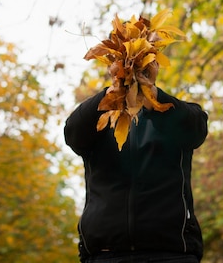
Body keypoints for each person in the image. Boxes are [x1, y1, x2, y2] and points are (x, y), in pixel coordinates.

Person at [64, 61, 208, 263]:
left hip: (171, 254)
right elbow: (73, 133)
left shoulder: (173, 113)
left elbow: (196, 130)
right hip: (105, 254)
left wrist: (153, 95)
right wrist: (112, 93)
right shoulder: (98, 119)